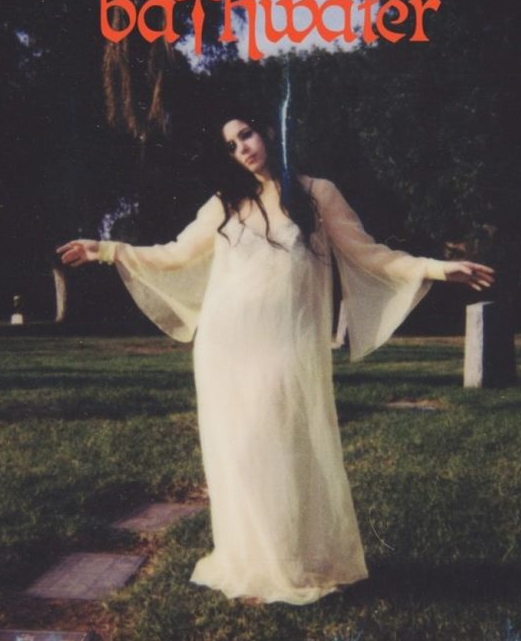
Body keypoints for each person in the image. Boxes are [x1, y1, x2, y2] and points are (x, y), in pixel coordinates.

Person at [57, 115, 494, 605]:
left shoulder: (316, 194)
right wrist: (106, 249)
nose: (242, 149)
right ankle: (253, 562)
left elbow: (369, 254)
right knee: (241, 455)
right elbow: (175, 254)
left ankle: (293, 562)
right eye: (230, 145)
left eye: (246, 134)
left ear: (267, 131)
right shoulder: (223, 203)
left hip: (285, 346)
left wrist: (436, 268)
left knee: (283, 449)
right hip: (224, 347)